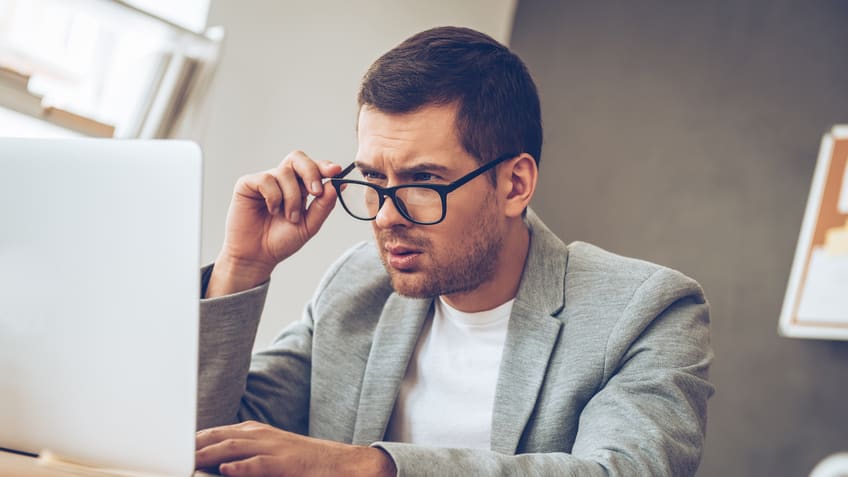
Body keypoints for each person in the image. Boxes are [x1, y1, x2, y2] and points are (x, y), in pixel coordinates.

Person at [193, 26, 714, 477]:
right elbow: (202, 437)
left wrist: (368, 466)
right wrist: (243, 266)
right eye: (373, 178)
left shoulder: (647, 310)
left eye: (423, 181)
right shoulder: (356, 286)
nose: (384, 215)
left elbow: (622, 471)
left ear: (514, 185)